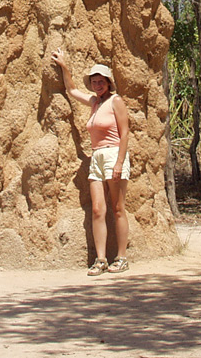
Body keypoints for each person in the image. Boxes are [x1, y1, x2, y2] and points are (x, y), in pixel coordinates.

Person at [51, 48, 130, 276]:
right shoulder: (95, 103)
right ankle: (101, 259)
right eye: (94, 81)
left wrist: (118, 163)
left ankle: (122, 257)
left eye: (100, 81)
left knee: (117, 208)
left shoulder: (116, 101)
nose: (97, 85)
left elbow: (125, 134)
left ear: (108, 82)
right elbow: (72, 90)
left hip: (114, 155)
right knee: (97, 209)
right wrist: (64, 66)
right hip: (96, 157)